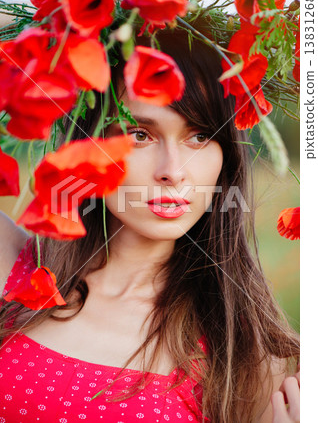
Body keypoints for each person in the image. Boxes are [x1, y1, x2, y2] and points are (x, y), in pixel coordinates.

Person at [0, 27, 300, 422]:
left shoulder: (251, 360)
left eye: (199, 137)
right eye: (140, 134)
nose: (173, 172)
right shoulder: (13, 267)